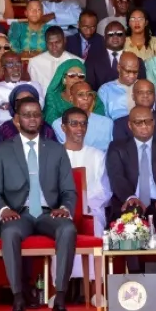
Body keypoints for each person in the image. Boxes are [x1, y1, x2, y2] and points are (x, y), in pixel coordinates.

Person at [0, 97, 77, 311]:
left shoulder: (56, 149)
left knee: (68, 230)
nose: (32, 119)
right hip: (19, 213)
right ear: (16, 120)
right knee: (9, 232)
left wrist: (65, 208)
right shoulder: (3, 150)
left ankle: (60, 300)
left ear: (42, 118)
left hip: (49, 213)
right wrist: (4, 209)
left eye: (36, 114)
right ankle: (18, 300)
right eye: (26, 114)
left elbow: (69, 190)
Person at [60, 106, 110, 294]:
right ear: (63, 127)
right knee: (59, 226)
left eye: (83, 124)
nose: (79, 128)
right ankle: (62, 287)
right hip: (61, 211)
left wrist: (84, 205)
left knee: (95, 224)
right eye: (74, 124)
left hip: (90, 210)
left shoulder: (97, 155)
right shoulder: (54, 154)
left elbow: (104, 189)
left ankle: (94, 288)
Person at [106, 105, 156, 236]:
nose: (144, 126)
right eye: (138, 122)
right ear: (130, 125)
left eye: (148, 121)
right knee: (132, 211)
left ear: (154, 122)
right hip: (131, 198)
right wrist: (131, 197)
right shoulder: (117, 148)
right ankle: (132, 256)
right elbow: (117, 177)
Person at [0, 52, 44, 129]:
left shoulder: (34, 85)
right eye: (10, 65)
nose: (15, 68)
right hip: (3, 132)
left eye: (18, 64)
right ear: (2, 69)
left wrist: (6, 108)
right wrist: (25, 115)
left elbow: (38, 109)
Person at [53, 81, 113, 151]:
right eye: (80, 94)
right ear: (71, 98)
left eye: (89, 94)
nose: (86, 98)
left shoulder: (107, 123)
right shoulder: (59, 124)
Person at [28, 26, 80, 94]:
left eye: (57, 42)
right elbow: (35, 90)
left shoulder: (77, 62)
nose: (54, 46)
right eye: (50, 43)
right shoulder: (34, 63)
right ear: (46, 43)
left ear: (64, 40)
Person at [98, 51, 146, 120]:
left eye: (135, 72)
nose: (132, 76)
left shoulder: (145, 87)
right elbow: (103, 120)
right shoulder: (105, 90)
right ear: (118, 68)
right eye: (128, 71)